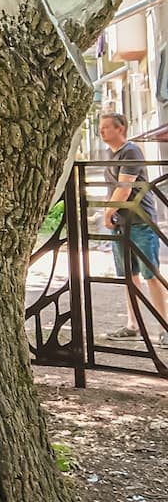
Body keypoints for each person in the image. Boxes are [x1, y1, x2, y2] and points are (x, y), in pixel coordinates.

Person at [99, 111, 168, 341]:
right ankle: (133, 324)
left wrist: (107, 212)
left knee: (151, 275)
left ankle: (164, 327)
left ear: (120, 129)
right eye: (100, 127)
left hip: (140, 223)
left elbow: (124, 189)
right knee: (129, 276)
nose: (101, 131)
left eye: (106, 127)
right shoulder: (110, 154)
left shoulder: (131, 151)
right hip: (121, 223)